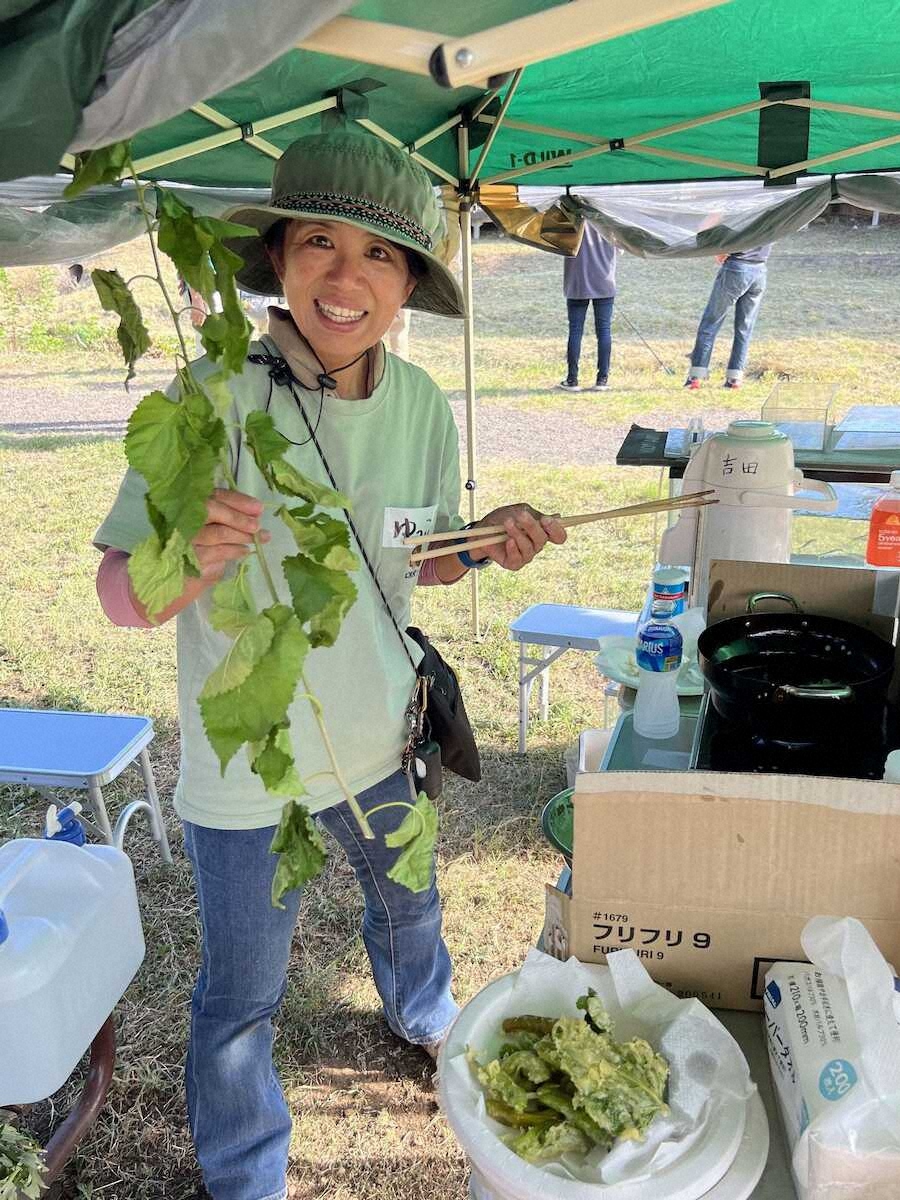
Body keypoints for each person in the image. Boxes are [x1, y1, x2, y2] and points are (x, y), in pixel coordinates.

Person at [93, 129, 566, 1200]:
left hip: (382, 736)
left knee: (409, 909)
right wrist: (185, 564)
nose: (346, 277)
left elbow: (417, 560)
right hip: (247, 775)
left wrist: (478, 539)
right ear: (278, 258)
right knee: (240, 1000)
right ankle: (245, 1168)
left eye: (381, 255)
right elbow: (121, 596)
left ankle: (424, 1013)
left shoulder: (420, 408)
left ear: (408, 283)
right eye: (318, 242)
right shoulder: (206, 395)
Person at [684, 243, 773, 390]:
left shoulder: (742, 218)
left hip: (736, 267)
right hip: (760, 270)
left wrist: (721, 251)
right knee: (744, 328)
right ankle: (734, 379)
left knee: (711, 323)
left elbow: (728, 241)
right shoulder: (770, 220)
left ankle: (695, 378)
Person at [557, 222, 618, 392]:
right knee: (604, 331)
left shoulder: (572, 215)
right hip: (604, 281)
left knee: (575, 330)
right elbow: (620, 245)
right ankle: (602, 380)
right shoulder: (606, 216)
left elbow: (559, 242)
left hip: (577, 281)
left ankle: (572, 379)